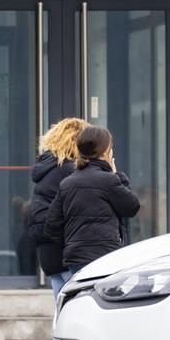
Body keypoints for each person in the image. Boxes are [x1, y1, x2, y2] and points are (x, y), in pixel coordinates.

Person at [44, 126, 141, 290]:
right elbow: (132, 207)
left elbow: (51, 227)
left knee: (82, 303)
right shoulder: (108, 180)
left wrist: (73, 242)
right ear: (105, 152)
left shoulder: (68, 183)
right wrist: (117, 175)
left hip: (76, 259)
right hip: (105, 257)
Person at [27, 118, 90, 297]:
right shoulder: (70, 172)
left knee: (63, 312)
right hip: (68, 254)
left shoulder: (48, 168)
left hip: (50, 256)